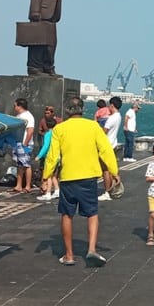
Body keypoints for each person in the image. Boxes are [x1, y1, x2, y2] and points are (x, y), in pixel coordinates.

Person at [43, 96, 120, 267]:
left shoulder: (59, 129)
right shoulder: (93, 126)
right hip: (89, 177)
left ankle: (69, 255)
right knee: (92, 213)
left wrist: (46, 176)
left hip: (68, 177)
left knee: (67, 214)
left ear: (67, 110)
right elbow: (105, 150)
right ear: (82, 110)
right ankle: (91, 249)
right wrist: (114, 172)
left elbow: (53, 156)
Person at [99, 96, 122, 201]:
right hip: (114, 144)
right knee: (112, 169)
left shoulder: (111, 118)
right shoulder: (118, 116)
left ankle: (107, 192)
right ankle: (112, 190)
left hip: (107, 146)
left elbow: (104, 132)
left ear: (112, 105)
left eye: (109, 105)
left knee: (106, 171)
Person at [11, 98, 35, 193]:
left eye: (15, 105)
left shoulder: (28, 116)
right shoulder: (18, 116)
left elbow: (30, 130)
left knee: (26, 164)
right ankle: (19, 185)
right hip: (18, 142)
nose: (14, 107)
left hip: (25, 143)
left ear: (19, 106)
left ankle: (28, 185)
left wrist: (25, 144)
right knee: (19, 165)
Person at [35, 117, 60, 201]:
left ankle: (48, 193)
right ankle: (57, 190)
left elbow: (45, 146)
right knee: (53, 176)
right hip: (57, 156)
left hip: (50, 157)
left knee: (48, 175)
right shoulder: (57, 133)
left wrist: (39, 155)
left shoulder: (48, 134)